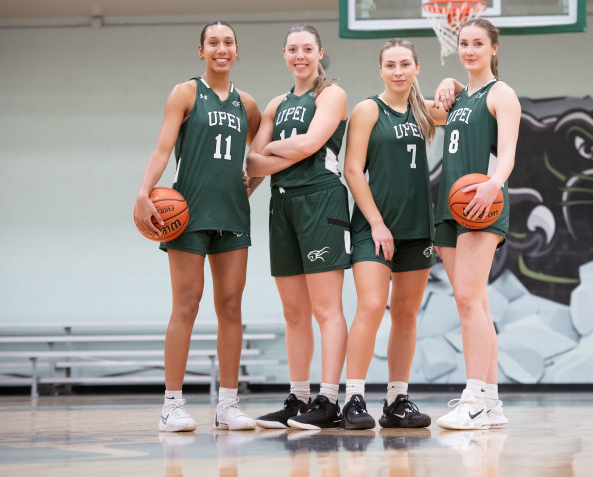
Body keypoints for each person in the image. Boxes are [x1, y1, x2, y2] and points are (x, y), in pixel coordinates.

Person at [133, 21, 262, 432]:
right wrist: (143, 192)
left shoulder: (249, 104)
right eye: (213, 42)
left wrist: (251, 182)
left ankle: (228, 405)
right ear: (201, 50)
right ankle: (172, 405)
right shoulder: (186, 93)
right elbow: (163, 147)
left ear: (237, 51)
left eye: (228, 43)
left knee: (231, 308)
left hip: (233, 215)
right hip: (187, 215)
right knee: (186, 305)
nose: (220, 49)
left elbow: (259, 156)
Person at [245, 24, 350, 430]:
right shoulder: (275, 104)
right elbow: (253, 165)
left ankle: (328, 400)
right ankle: (299, 398)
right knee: (294, 312)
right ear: (284, 54)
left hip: (322, 199)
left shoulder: (333, 94)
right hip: (282, 203)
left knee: (326, 308)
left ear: (320, 52)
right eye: (293, 49)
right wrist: (272, 153)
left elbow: (310, 144)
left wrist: (270, 150)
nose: (300, 55)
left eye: (308, 48)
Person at [339, 39, 437, 431]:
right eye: (390, 65)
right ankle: (354, 398)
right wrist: (377, 223)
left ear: (417, 68)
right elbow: (351, 170)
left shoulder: (425, 112)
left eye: (405, 64)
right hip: (374, 226)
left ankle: (397, 400)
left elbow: (472, 108)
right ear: (380, 70)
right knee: (372, 305)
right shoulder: (367, 110)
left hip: (417, 226)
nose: (398, 71)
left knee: (407, 314)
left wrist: (452, 84)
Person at [432, 18, 521, 430]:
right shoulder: (458, 96)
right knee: (476, 303)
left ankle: (473, 399)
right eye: (464, 43)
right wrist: (446, 83)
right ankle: (493, 402)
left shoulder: (502, 95)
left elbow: (506, 154)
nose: (470, 50)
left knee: (468, 301)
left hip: (482, 205)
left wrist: (494, 185)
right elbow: (425, 116)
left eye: (478, 43)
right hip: (449, 206)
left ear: (494, 48)